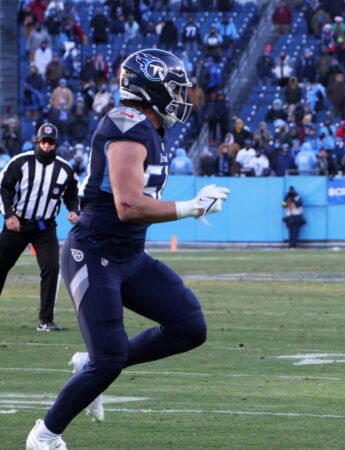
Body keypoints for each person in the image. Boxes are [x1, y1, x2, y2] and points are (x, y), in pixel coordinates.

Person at [25, 49, 230, 449]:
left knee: (189, 325)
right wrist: (191, 207)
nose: (181, 96)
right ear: (149, 87)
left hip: (127, 256)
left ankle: (89, 364)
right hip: (93, 252)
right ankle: (44, 436)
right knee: (111, 357)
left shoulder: (151, 129)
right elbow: (128, 204)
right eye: (174, 88)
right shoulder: (126, 123)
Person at [0, 123, 79, 331]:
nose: (46, 146)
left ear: (56, 144)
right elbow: (4, 188)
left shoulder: (65, 170)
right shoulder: (20, 162)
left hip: (45, 227)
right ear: (37, 141)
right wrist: (8, 215)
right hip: (18, 224)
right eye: (43, 141)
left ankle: (46, 320)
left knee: (52, 267)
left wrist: (73, 210)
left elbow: (72, 194)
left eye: (51, 142)